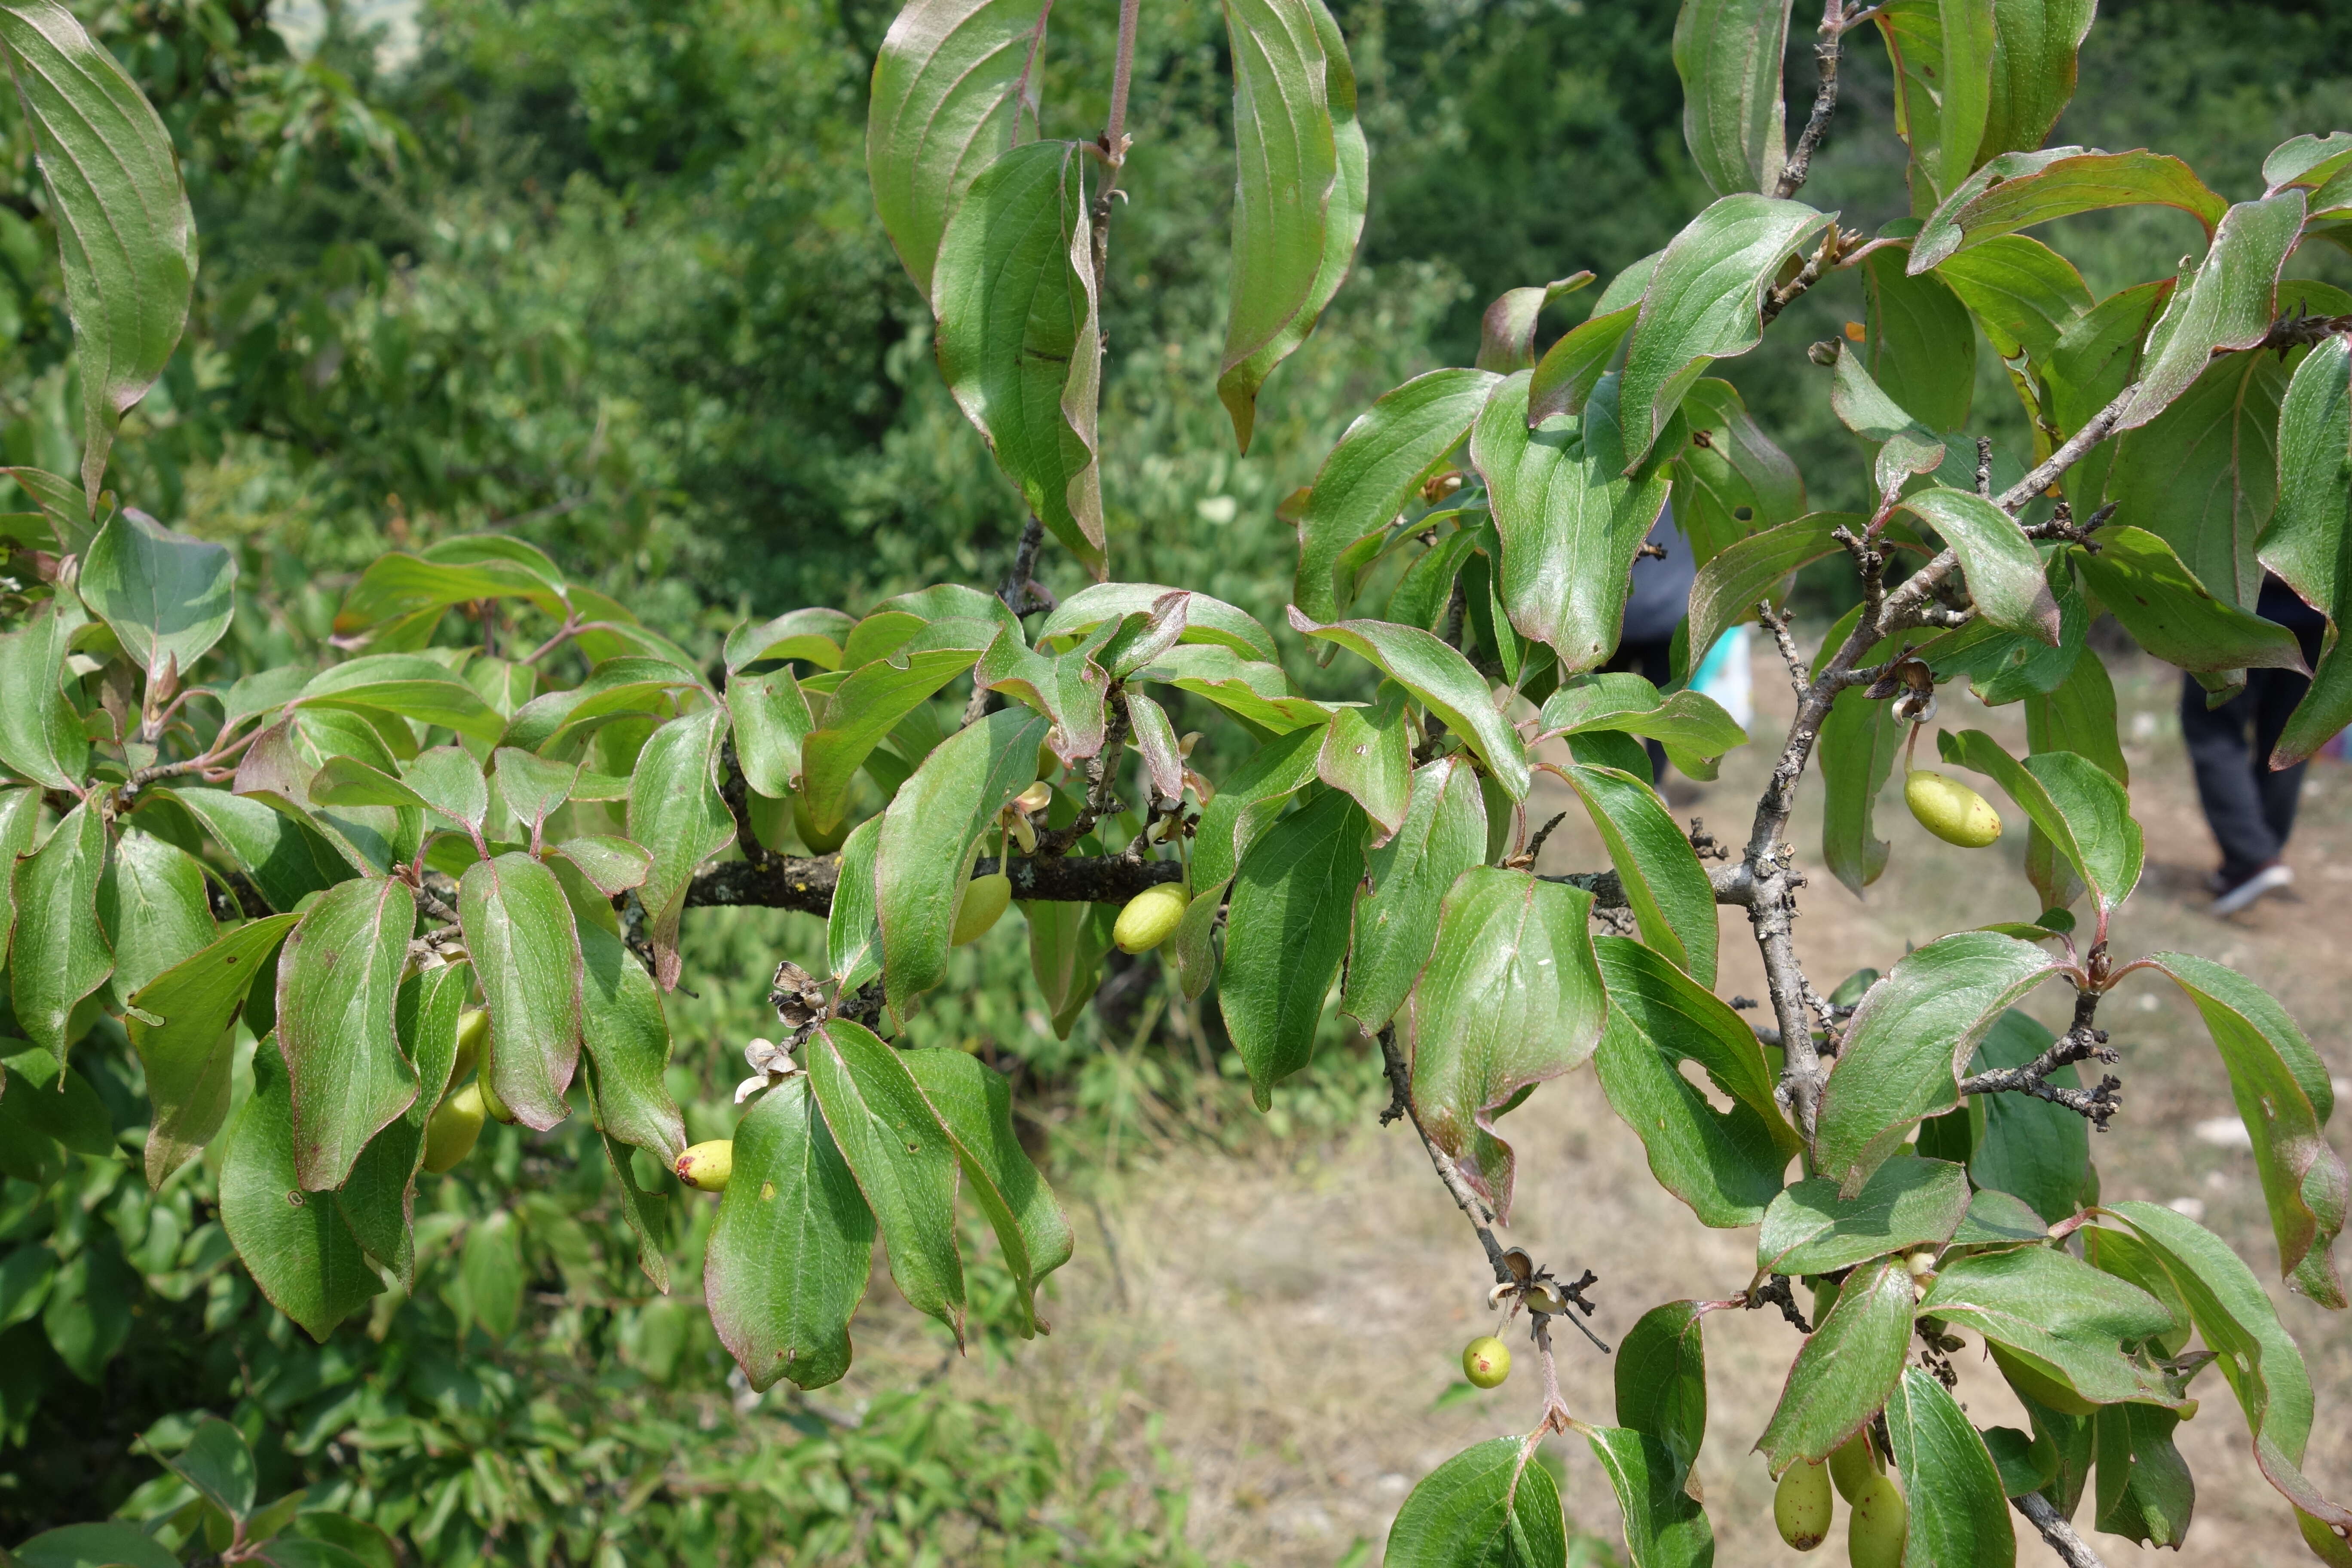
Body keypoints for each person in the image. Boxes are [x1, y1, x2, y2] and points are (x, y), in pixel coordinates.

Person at [2180, 573, 2329, 915]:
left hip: (2239, 601)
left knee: (2212, 725)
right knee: (2291, 737)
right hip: (2317, 609)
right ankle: (2260, 856)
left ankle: (2253, 859)